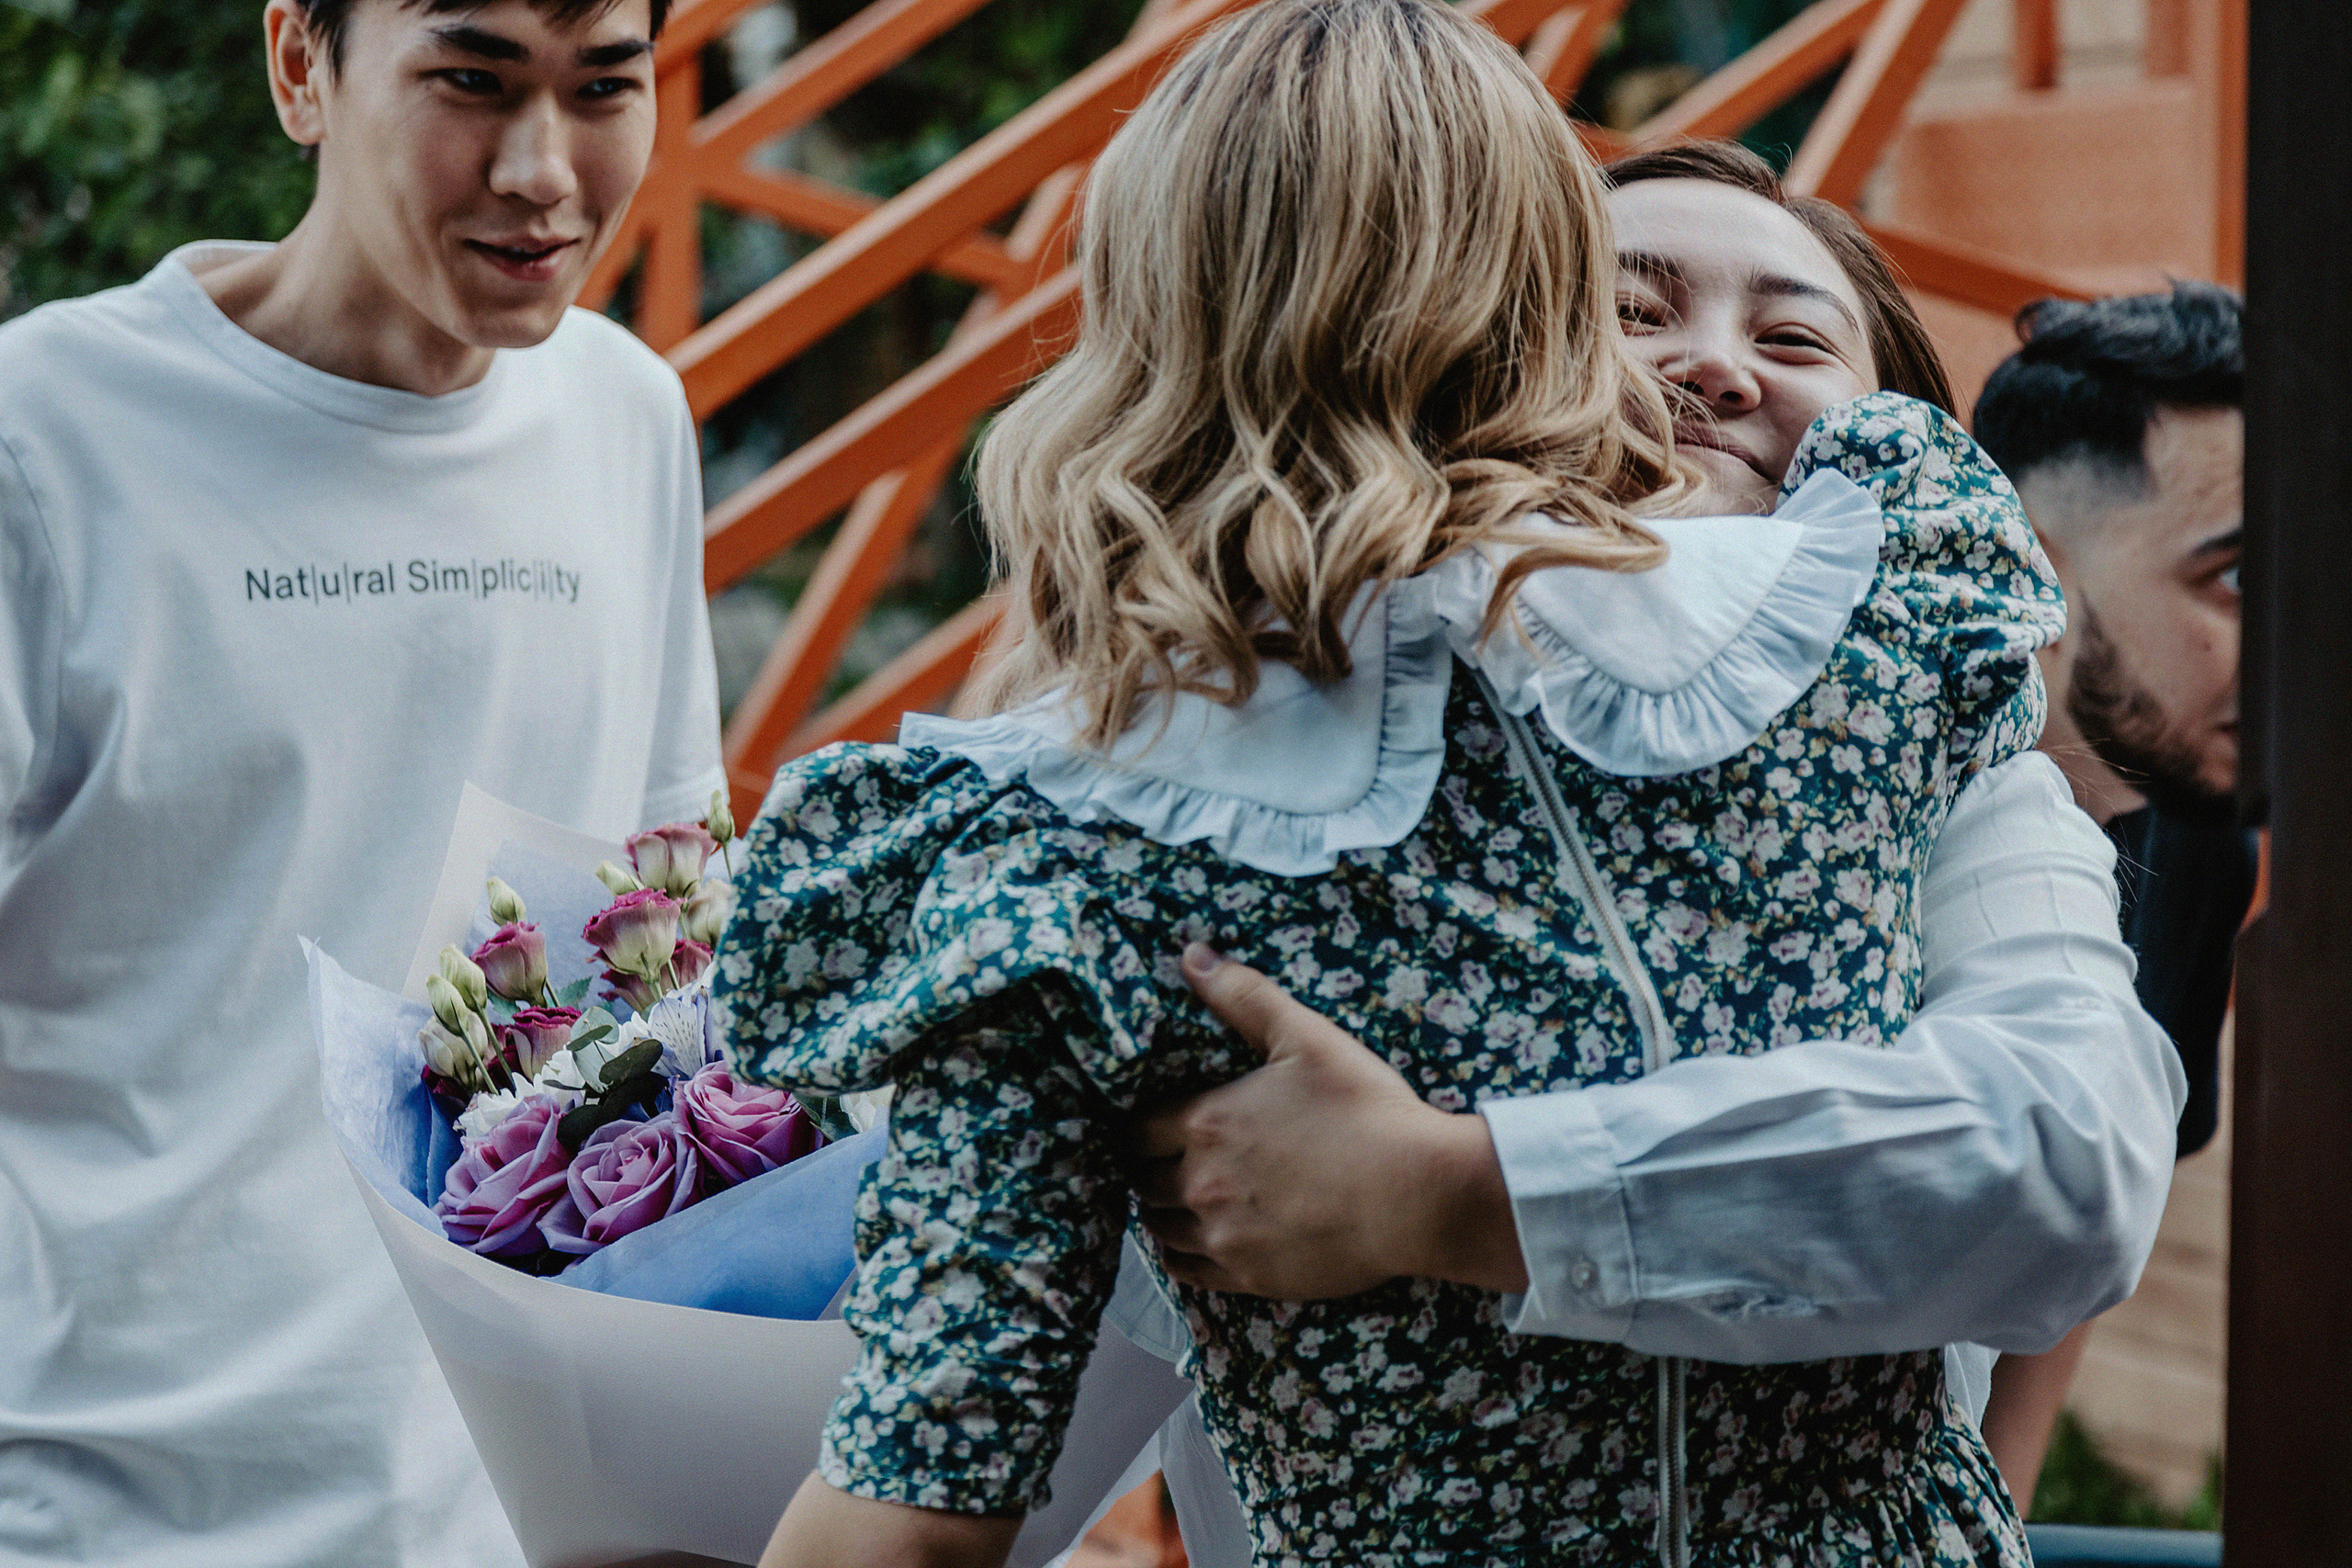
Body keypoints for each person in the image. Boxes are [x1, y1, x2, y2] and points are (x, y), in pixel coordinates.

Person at [718, 17, 2081, 1560]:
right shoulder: (1853, 654)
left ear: (1154, 313)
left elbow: (922, 1504)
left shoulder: (1054, 862)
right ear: (1548, 295)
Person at [1124, 141, 2184, 1551]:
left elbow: (2067, 1162)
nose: (1716, 370)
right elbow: (1000, 1403)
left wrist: (1451, 1189)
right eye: (1629, 312)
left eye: (1796, 337)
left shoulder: (1960, 782)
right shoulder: (1240, 783)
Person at [0, 2, 718, 1564]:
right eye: (472, 82)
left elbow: (660, 942)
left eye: (606, 86)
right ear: (299, 69)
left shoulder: (623, 417)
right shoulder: (48, 439)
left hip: (521, 1510)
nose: (543, 170)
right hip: (101, 1510)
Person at [1965, 282, 2251, 1506]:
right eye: (2236, 581)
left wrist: (1993, 1518)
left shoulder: (2199, 846)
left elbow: (2076, 1254)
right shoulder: (1855, 807)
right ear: (2036, 563)